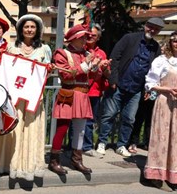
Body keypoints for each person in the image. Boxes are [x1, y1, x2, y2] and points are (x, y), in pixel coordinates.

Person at [0, 14, 52, 181]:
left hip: (32, 100)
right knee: (12, 130)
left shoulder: (43, 49)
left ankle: (27, 165)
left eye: (32, 27)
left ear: (37, 30)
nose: (29, 30)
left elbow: (48, 74)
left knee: (30, 130)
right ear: (21, 30)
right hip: (14, 99)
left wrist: (49, 69)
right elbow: (2, 67)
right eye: (26, 27)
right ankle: (5, 164)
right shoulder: (11, 48)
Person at [95, 18, 163, 157]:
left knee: (129, 119)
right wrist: (113, 80)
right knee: (109, 115)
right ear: (145, 26)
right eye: (151, 27)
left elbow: (154, 71)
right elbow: (115, 57)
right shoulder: (129, 39)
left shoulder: (156, 47)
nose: (152, 30)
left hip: (137, 89)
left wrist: (148, 89)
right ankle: (102, 142)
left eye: (156, 29)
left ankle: (121, 145)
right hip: (119, 84)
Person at [49, 25, 104, 175]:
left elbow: (93, 76)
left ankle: (76, 159)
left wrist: (98, 67)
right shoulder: (62, 53)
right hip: (68, 92)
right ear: (74, 39)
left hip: (83, 94)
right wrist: (87, 64)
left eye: (86, 37)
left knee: (80, 130)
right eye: (82, 37)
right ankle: (54, 160)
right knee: (62, 128)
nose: (86, 40)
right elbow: (67, 75)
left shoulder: (87, 53)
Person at [142, 33, 177, 185]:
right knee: (162, 137)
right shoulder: (161, 60)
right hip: (164, 101)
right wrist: (166, 89)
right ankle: (156, 174)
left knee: (175, 139)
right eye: (175, 41)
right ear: (170, 42)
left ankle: (173, 174)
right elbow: (150, 83)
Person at [83, 25, 111, 156]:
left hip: (95, 91)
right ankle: (72, 146)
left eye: (93, 35)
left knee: (90, 120)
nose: (90, 37)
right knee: (75, 120)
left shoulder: (102, 53)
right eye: (88, 34)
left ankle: (87, 146)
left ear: (98, 38)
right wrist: (94, 66)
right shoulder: (80, 50)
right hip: (81, 90)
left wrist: (105, 68)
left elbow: (107, 74)